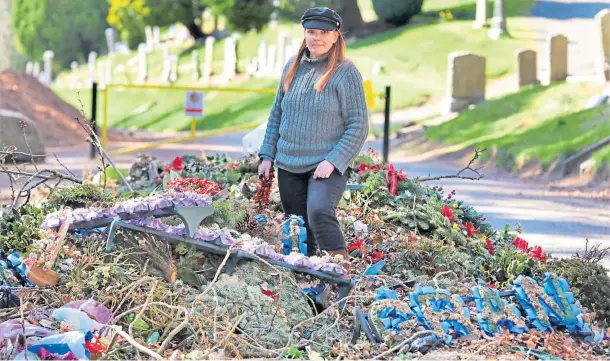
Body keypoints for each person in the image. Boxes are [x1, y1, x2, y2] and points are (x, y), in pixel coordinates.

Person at [258, 7, 369, 273]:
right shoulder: (292, 67)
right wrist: (266, 155)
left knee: (319, 211)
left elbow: (359, 125)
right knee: (297, 226)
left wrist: (333, 161)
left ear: (335, 37)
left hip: (325, 165)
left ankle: (339, 275)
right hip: (289, 163)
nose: (316, 38)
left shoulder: (345, 72)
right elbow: (277, 115)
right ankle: (306, 281)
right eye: (311, 32)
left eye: (323, 33)